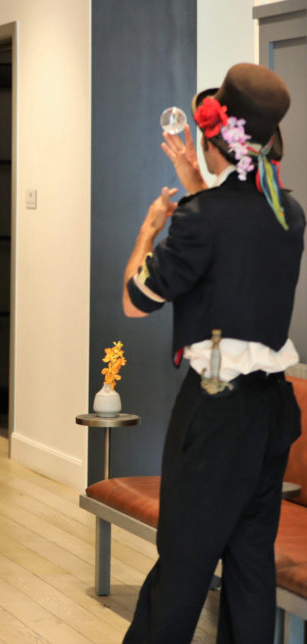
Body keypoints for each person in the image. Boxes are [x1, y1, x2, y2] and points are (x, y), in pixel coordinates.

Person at [121, 63, 304, 643]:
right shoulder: (289, 213)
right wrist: (199, 182)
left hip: (216, 415)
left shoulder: (200, 219)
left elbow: (135, 300)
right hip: (271, 412)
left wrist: (150, 230)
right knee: (250, 564)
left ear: (212, 142)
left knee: (185, 559)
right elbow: (234, 233)